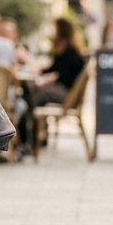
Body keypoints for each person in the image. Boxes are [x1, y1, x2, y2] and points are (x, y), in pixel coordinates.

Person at [23, 17, 87, 149]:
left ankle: (30, 136)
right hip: (65, 91)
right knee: (33, 91)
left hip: (68, 95)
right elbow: (55, 68)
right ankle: (36, 135)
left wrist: (45, 80)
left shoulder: (69, 51)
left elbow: (62, 75)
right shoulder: (66, 48)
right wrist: (41, 70)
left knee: (36, 95)